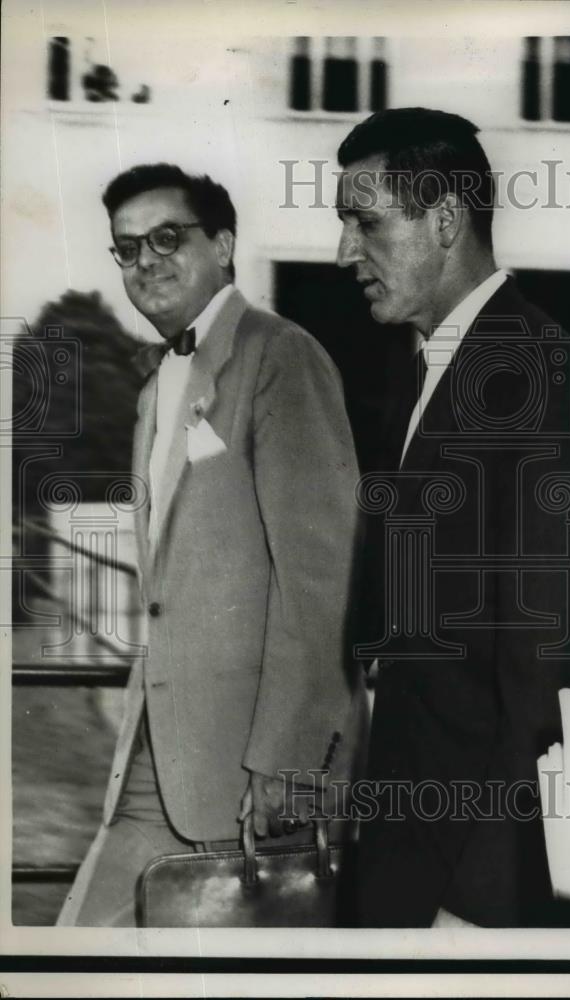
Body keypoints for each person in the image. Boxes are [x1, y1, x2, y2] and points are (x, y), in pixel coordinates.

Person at [335, 108, 570, 928]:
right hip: (416, 856)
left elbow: (567, 671)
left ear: (444, 219)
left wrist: (479, 906)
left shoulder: (545, 377)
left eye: (365, 223)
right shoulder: (433, 370)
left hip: (477, 888)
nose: (344, 253)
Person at [58, 163, 365, 926]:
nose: (146, 261)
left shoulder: (280, 357)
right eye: (127, 249)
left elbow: (323, 575)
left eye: (167, 237)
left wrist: (289, 764)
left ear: (224, 244)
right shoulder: (154, 389)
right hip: (159, 756)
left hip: (248, 774)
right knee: (77, 952)